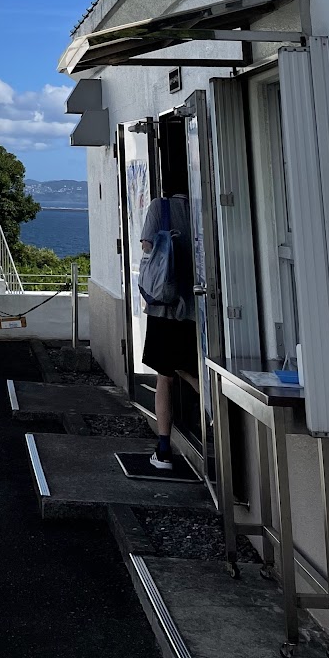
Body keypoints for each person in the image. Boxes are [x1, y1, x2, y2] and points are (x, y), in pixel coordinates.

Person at [140, 189, 197, 471]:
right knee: (189, 366)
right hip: (196, 306)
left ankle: (163, 450)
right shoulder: (204, 207)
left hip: (164, 305)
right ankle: (218, 416)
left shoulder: (159, 207)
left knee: (165, 376)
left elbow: (147, 247)